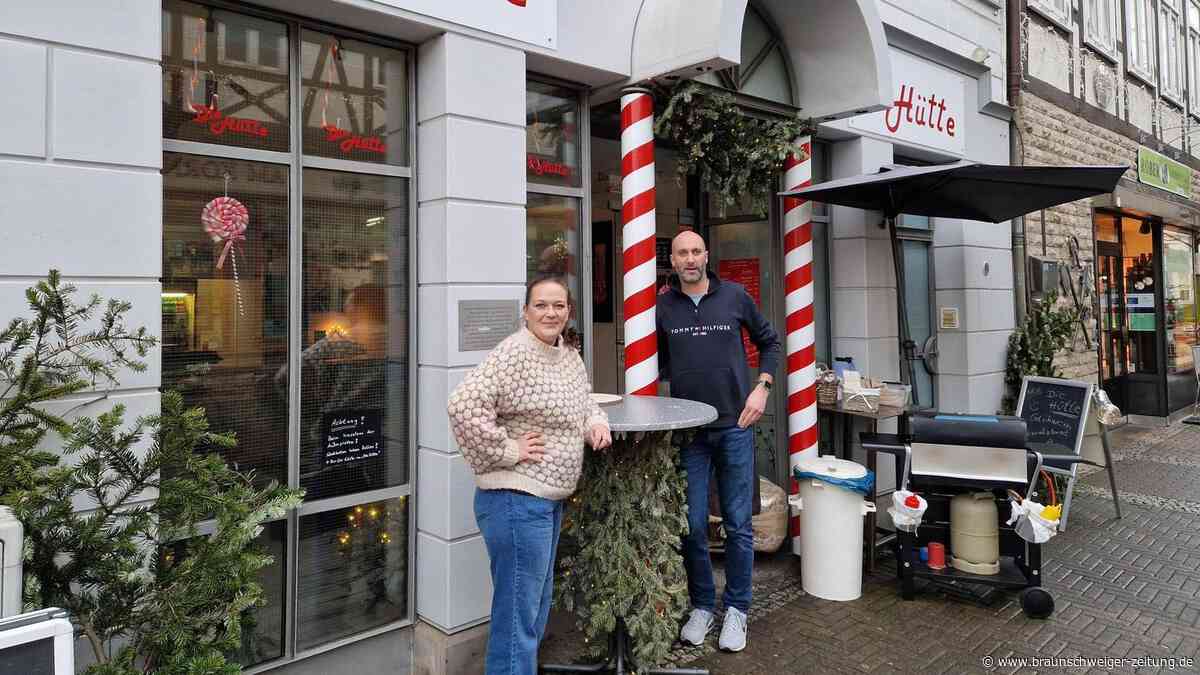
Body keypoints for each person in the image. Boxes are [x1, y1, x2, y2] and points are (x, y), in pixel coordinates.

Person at [447, 275, 612, 675]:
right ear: (525, 311)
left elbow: (583, 400)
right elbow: (462, 406)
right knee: (517, 618)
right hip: (515, 501)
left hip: (546, 502)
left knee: (533, 609)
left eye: (558, 305)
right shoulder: (514, 353)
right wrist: (508, 450)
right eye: (540, 305)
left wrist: (595, 422)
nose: (550, 313)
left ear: (569, 310)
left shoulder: (567, 354)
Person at [655, 230, 781, 653]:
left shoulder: (735, 297)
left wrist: (761, 386)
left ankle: (738, 610)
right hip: (689, 432)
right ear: (672, 260)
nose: (690, 259)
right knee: (691, 524)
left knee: (738, 524)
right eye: (682, 253)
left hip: (734, 425)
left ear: (706, 255)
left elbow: (769, 343)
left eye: (695, 252)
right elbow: (657, 361)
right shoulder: (662, 306)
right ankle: (703, 606)